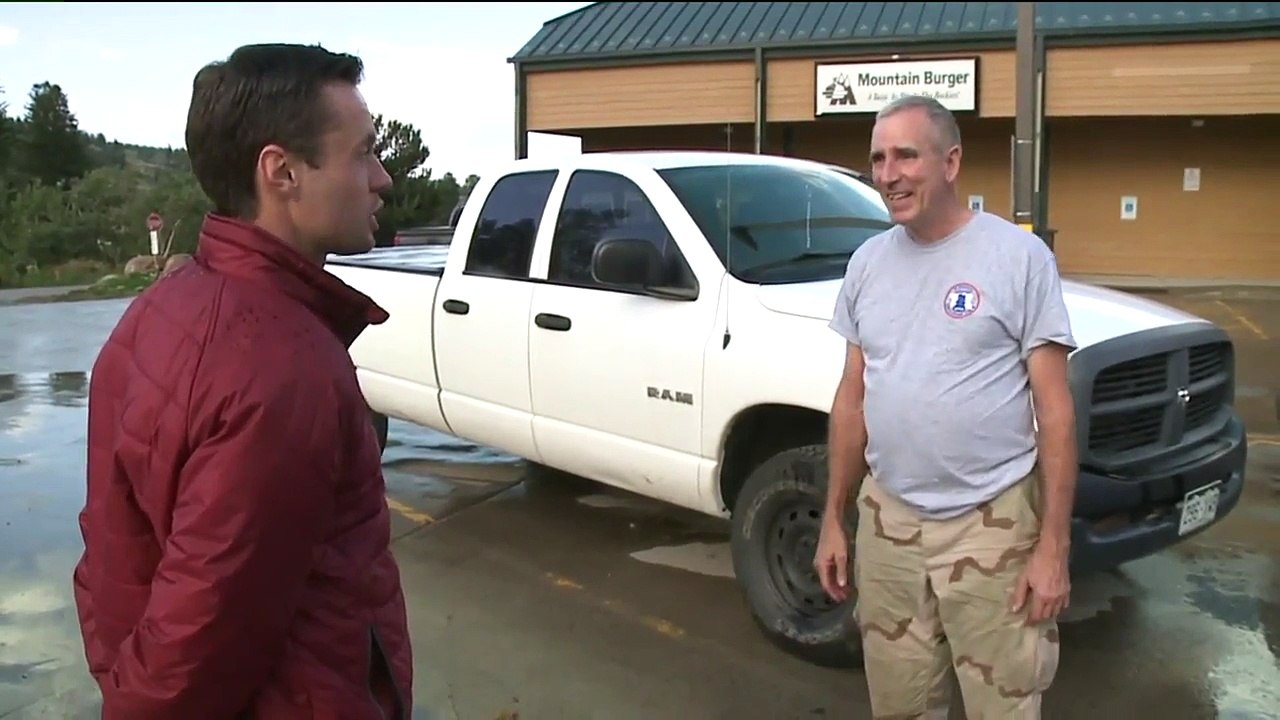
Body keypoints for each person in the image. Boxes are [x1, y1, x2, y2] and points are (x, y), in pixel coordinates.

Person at [72, 43, 412, 719]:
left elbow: (115, 557)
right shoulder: (283, 369)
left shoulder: (161, 310)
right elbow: (193, 648)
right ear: (281, 171)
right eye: (363, 153)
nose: (383, 179)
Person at [814, 94, 1077, 719]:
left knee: (1003, 705)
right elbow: (852, 400)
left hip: (993, 525)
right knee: (899, 705)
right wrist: (834, 517)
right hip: (890, 524)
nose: (888, 174)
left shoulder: (1017, 258)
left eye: (906, 155)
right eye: (878, 158)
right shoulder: (867, 265)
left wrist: (1053, 550)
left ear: (951, 161)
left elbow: (1057, 413)